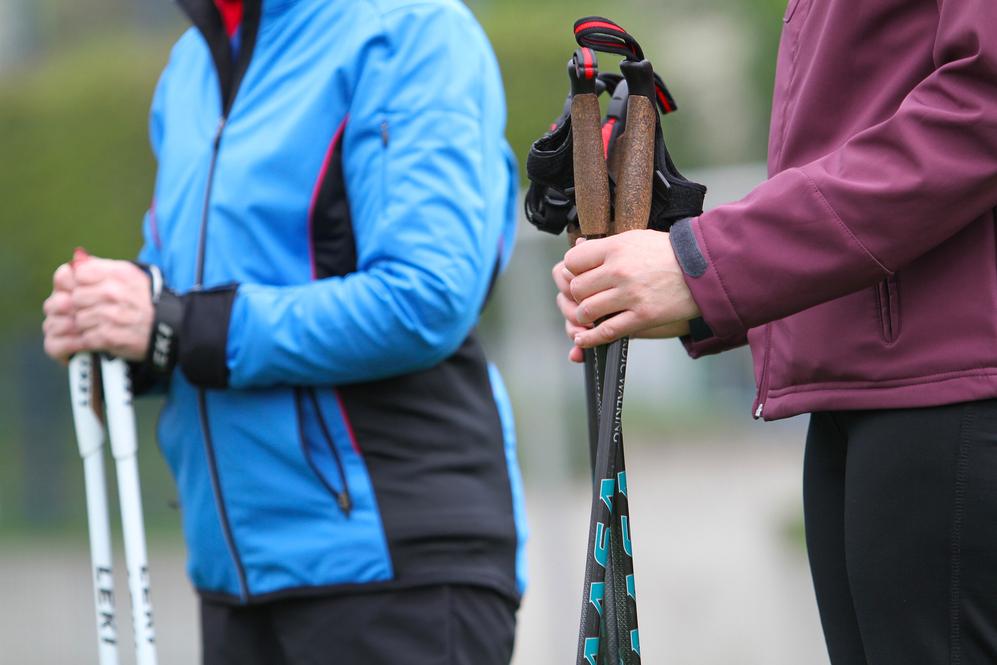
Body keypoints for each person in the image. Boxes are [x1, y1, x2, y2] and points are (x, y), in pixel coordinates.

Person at [41, 0, 526, 663]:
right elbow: (178, 303)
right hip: (233, 579)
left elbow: (426, 296)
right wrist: (115, 330)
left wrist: (180, 326)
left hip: (393, 566)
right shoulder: (190, 66)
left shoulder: (408, 29)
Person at [553, 0, 997, 663]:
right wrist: (697, 285)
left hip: (951, 393)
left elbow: (977, 110)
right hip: (864, 396)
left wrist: (704, 267)